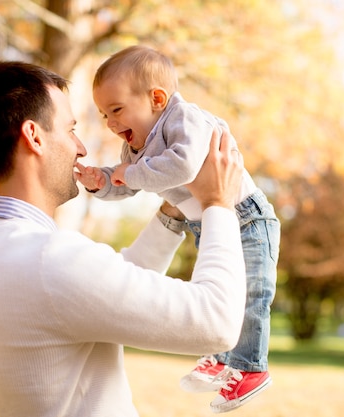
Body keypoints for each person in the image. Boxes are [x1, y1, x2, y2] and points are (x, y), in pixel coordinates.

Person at [0, 60, 246, 417]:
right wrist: (217, 204)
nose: (81, 148)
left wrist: (173, 209)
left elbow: (103, 290)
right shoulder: (49, 259)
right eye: (70, 129)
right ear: (34, 136)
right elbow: (216, 323)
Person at [75, 45, 280, 413]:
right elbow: (130, 184)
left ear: (156, 98)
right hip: (207, 220)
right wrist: (100, 182)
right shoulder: (136, 148)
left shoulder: (185, 119)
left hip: (245, 216)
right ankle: (220, 359)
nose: (109, 122)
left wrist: (130, 173)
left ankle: (250, 367)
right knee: (224, 290)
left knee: (249, 294)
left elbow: (184, 167)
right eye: (104, 114)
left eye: (117, 110)